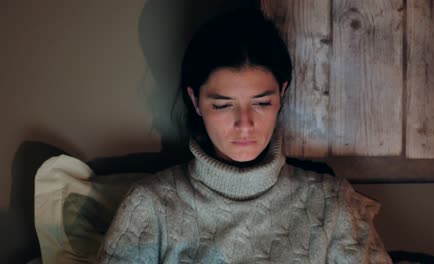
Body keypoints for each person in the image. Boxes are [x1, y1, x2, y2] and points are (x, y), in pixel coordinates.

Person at [97, 8, 391, 263]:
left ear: (282, 94)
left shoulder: (333, 204)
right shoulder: (149, 206)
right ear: (196, 101)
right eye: (223, 105)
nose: (245, 124)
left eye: (262, 103)